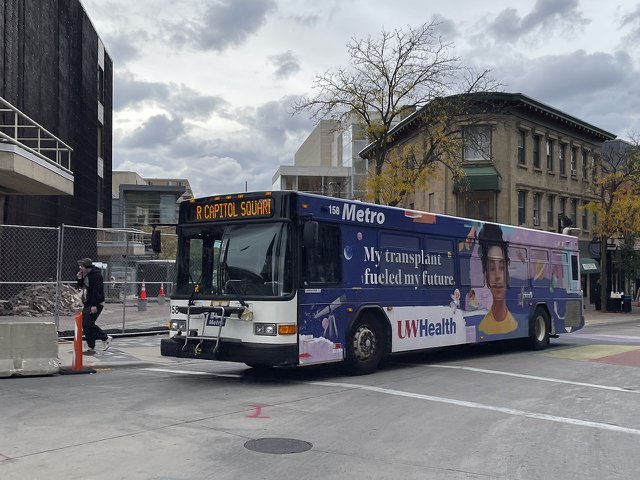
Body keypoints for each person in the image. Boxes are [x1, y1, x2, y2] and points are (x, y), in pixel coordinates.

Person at [477, 224, 517, 335]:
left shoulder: (517, 323)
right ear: (486, 276)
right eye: (492, 268)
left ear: (507, 273)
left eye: (501, 267)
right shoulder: (482, 327)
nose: (498, 276)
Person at [76, 258, 112, 354]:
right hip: (88, 302)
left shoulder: (96, 276)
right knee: (85, 324)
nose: (80, 268)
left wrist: (94, 305)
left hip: (96, 302)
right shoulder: (86, 275)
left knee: (88, 323)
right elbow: (82, 286)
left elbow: (96, 291)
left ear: (87, 267)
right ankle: (91, 345)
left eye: (82, 267)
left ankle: (105, 337)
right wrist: (80, 278)